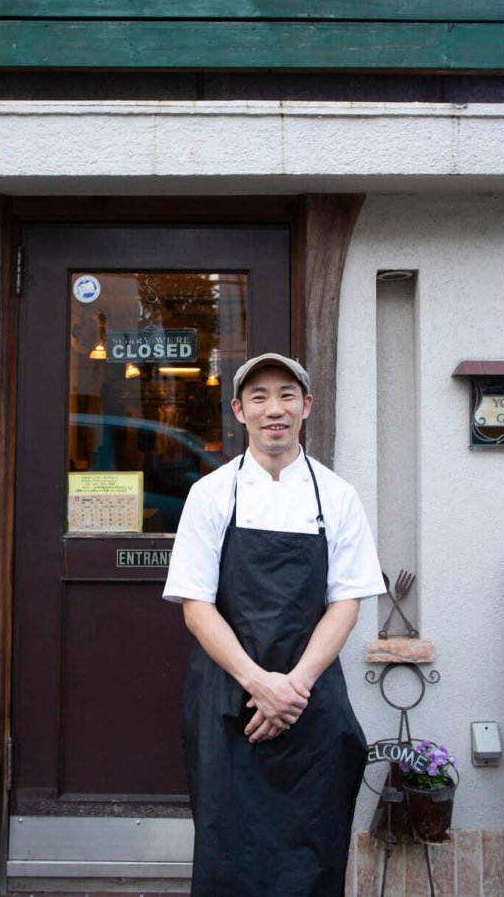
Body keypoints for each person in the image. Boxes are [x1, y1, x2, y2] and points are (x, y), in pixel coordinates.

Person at [163, 353, 385, 897]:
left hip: (311, 704)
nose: (274, 409)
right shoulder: (211, 494)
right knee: (227, 849)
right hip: (229, 701)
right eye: (258, 397)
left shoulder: (337, 496)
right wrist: (260, 684)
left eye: (287, 395)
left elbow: (347, 602)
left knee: (312, 849)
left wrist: (294, 688)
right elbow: (196, 605)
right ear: (239, 411)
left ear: (306, 407)